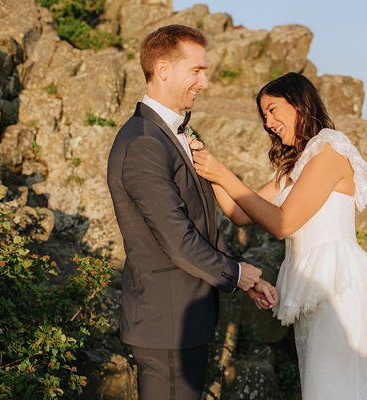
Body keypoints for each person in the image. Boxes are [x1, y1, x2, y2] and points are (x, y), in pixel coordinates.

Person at [192, 72, 367, 399]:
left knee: (338, 390)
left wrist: (222, 173)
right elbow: (240, 212)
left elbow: (284, 223)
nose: (268, 122)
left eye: (273, 110)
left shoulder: (329, 151)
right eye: (264, 115)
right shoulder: (295, 166)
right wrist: (210, 170)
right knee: (322, 389)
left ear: (299, 103)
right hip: (316, 286)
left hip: (339, 287)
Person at [106, 25, 277, 400]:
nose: (206, 82)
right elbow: (177, 240)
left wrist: (245, 275)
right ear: (163, 71)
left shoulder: (167, 136)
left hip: (183, 321)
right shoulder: (143, 144)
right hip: (165, 323)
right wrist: (236, 275)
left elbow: (200, 228)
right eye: (197, 71)